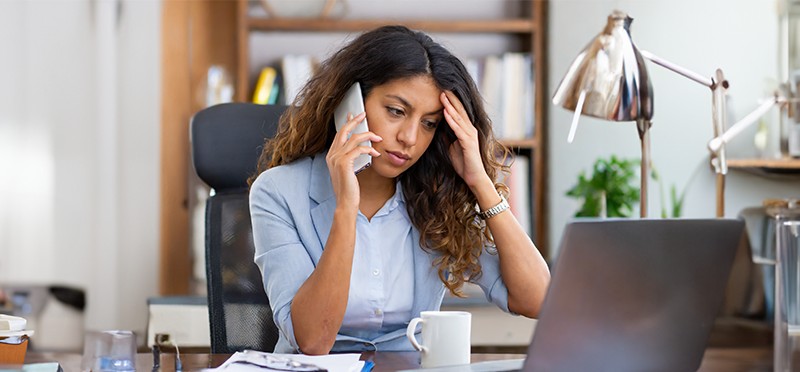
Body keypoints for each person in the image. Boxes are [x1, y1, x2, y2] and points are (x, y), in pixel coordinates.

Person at [249, 25, 550, 355]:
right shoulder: (278, 192)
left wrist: (481, 183)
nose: (410, 137)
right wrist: (346, 208)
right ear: (350, 103)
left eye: (429, 123)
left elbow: (537, 300)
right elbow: (312, 340)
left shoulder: (436, 196)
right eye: (396, 111)